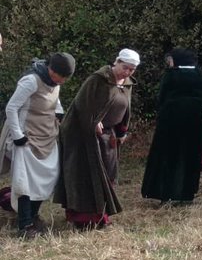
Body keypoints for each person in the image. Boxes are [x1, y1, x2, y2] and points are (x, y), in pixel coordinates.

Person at [55, 48, 140, 229]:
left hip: (108, 137)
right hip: (83, 138)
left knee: (107, 175)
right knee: (85, 176)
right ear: (117, 62)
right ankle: (83, 220)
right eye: (125, 67)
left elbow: (126, 110)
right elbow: (81, 105)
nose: (128, 72)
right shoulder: (98, 80)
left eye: (132, 70)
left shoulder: (126, 84)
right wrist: (93, 121)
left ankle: (101, 216)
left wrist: (122, 131)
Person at [2, 52, 75, 237]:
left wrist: (58, 112)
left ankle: (33, 215)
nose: (63, 81)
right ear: (52, 70)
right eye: (62, 77)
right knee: (25, 183)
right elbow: (11, 107)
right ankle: (25, 225)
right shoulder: (31, 81)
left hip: (48, 136)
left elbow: (55, 99)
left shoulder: (55, 82)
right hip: (27, 139)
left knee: (48, 178)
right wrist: (18, 136)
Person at [141, 48, 202, 203]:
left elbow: (161, 98)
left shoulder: (171, 76)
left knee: (168, 156)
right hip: (195, 121)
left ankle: (165, 193)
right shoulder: (200, 76)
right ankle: (186, 194)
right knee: (190, 156)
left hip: (170, 121)